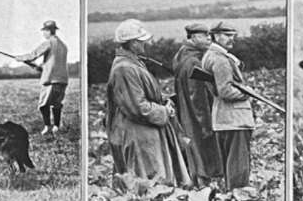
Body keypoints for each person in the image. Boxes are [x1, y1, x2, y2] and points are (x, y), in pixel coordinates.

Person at [104, 20, 191, 187]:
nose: (145, 43)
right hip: (137, 134)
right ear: (132, 42)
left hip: (145, 132)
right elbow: (138, 108)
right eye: (140, 40)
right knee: (147, 180)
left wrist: (164, 99)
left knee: (155, 178)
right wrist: (164, 111)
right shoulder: (124, 68)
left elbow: (141, 96)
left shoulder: (133, 63)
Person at [202, 23, 255, 191]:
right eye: (227, 35)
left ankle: (232, 198)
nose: (232, 39)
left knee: (231, 166)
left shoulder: (211, 56)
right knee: (238, 168)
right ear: (216, 36)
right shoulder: (220, 59)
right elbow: (225, 91)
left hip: (224, 118)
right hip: (235, 120)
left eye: (233, 35)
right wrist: (248, 92)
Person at [172, 22, 222, 184]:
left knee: (194, 151)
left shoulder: (180, 55)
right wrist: (206, 125)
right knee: (202, 154)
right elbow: (198, 97)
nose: (209, 39)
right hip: (196, 117)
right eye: (205, 36)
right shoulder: (195, 61)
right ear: (193, 38)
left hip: (185, 113)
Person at [21, 20, 70, 138]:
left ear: (48, 31)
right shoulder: (63, 45)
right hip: (62, 79)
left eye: (44, 31)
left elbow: (33, 55)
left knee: (43, 105)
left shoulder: (48, 43)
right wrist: (39, 67)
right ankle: (56, 127)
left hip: (50, 80)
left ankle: (47, 127)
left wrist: (20, 58)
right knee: (57, 104)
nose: (43, 34)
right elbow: (53, 63)